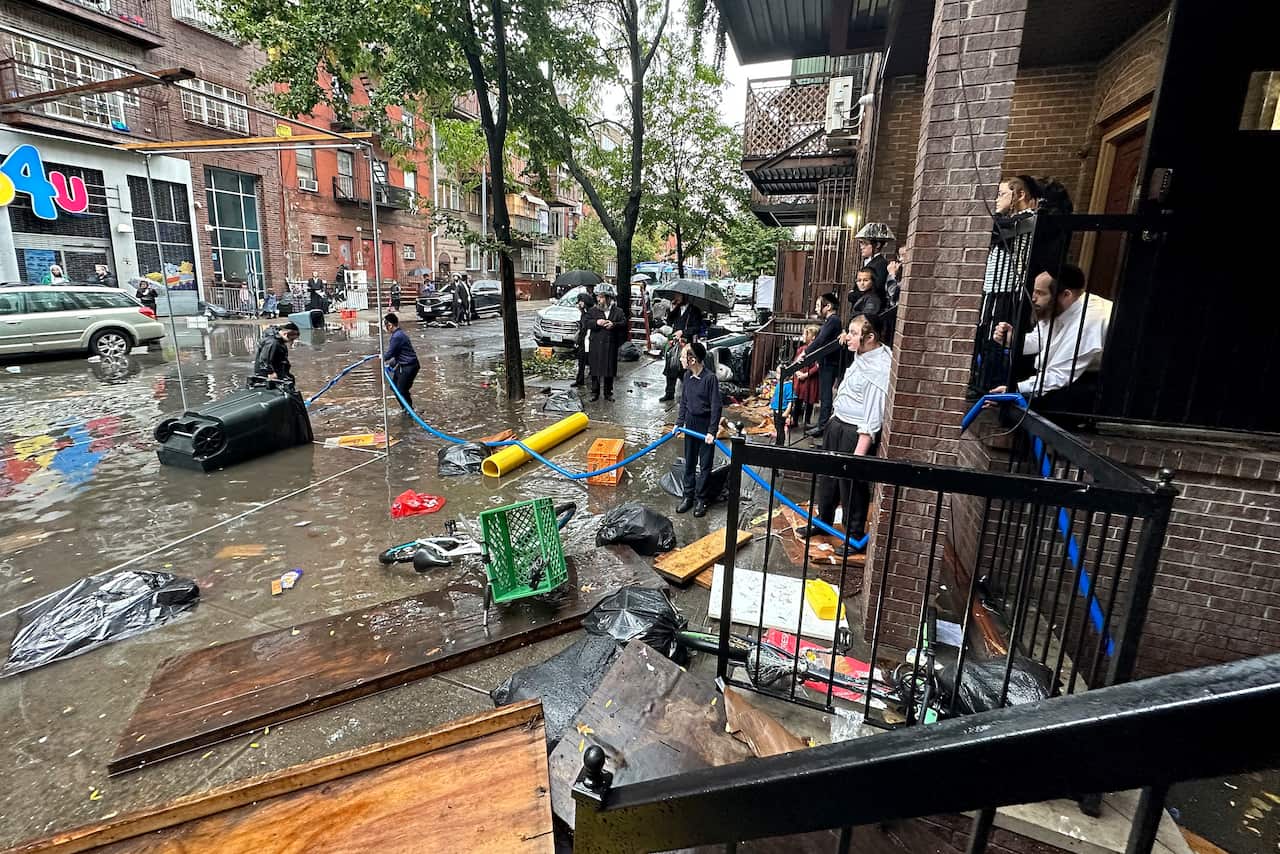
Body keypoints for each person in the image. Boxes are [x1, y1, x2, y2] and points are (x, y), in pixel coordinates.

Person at [798, 313, 892, 546]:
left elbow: (872, 417)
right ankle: (824, 521)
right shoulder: (861, 354)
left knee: (851, 485)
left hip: (855, 431)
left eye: (853, 333)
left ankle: (854, 535)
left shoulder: (879, 368)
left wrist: (859, 454)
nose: (847, 336)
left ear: (870, 337)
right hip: (837, 422)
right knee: (828, 479)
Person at [990, 264, 1112, 409]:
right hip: (1071, 375)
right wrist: (1013, 339)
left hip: (1100, 384)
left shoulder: (1090, 318)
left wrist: (1014, 390)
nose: (1033, 298)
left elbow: (1060, 374)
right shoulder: (1058, 307)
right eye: (1033, 291)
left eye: (1040, 293)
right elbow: (1041, 340)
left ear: (1066, 295)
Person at [675, 342, 722, 518]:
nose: (681, 359)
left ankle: (701, 499)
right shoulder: (687, 376)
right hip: (691, 424)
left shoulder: (710, 379)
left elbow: (716, 406)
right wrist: (679, 423)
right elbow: (684, 402)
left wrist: (712, 431)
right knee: (689, 462)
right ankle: (688, 496)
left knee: (705, 465)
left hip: (705, 426)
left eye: (683, 356)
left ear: (692, 360)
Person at [799, 292, 843, 437]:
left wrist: (806, 352)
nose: (816, 309)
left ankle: (822, 426)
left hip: (830, 362)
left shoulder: (833, 320)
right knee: (824, 395)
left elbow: (820, 340)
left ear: (828, 306)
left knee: (825, 396)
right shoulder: (831, 321)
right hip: (827, 361)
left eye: (818, 305)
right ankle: (821, 424)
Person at [659, 293, 705, 402]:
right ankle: (669, 393)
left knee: (684, 369)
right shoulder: (677, 308)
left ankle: (689, 394)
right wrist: (672, 308)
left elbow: (696, 328)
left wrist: (683, 332)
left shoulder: (694, 311)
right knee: (671, 367)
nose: (676, 298)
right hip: (674, 342)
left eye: (679, 296)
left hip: (686, 344)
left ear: (685, 296)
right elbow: (669, 321)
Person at [585, 285, 626, 401]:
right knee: (595, 368)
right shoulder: (593, 310)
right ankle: (595, 392)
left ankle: (608, 392)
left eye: (602, 297)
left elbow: (624, 323)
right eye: (598, 297)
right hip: (596, 344)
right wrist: (597, 322)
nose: (599, 299)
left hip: (610, 344)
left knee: (609, 369)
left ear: (608, 298)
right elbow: (586, 322)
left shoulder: (618, 311)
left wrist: (614, 324)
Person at [785, 325, 821, 429]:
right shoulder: (801, 349)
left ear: (813, 337)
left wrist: (806, 375)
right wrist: (796, 372)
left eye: (805, 334)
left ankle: (807, 422)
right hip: (800, 378)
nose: (803, 336)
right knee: (797, 400)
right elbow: (795, 361)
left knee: (809, 401)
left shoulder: (816, 350)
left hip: (810, 378)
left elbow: (817, 366)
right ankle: (795, 420)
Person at [382, 312, 420, 410]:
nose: (385, 328)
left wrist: (381, 357)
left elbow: (390, 354)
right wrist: (391, 364)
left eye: (385, 325)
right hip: (403, 365)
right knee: (395, 387)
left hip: (409, 366)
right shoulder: (399, 334)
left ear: (390, 325)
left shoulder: (397, 336)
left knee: (401, 390)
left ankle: (408, 410)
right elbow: (398, 353)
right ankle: (406, 408)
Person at [854, 222, 894, 292]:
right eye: (861, 244)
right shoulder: (872, 261)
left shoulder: (881, 263)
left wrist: (854, 294)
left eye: (865, 244)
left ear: (877, 245)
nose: (862, 247)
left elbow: (877, 288)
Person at [572, 291, 591, 388]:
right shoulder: (584, 313)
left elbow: (584, 329)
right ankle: (580, 380)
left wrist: (578, 341)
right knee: (582, 361)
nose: (579, 303)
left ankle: (582, 380)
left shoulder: (588, 314)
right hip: (584, 341)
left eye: (580, 301)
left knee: (585, 360)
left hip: (587, 341)